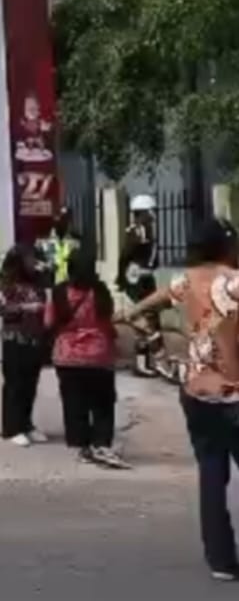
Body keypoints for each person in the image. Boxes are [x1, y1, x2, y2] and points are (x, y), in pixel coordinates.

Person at [126, 218, 239, 581]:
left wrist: (137, 319)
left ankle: (220, 561)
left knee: (211, 473)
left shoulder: (186, 280)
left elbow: (150, 303)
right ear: (226, 245)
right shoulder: (233, 280)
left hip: (195, 390)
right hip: (234, 391)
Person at [46, 250, 127, 468]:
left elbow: (48, 321)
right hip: (99, 356)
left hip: (67, 357)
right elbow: (107, 318)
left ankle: (80, 443)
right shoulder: (100, 292)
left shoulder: (59, 292)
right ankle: (101, 443)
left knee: (73, 401)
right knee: (103, 403)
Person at [0, 245, 48, 447]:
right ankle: (12, 428)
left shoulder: (35, 282)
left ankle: (27, 424)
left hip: (34, 338)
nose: (34, 263)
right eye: (30, 259)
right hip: (14, 339)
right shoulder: (6, 283)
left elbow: (44, 300)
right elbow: (1, 308)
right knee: (14, 385)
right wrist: (26, 307)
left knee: (30, 385)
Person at [119, 194, 162, 377]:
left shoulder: (147, 230)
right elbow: (125, 257)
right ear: (143, 213)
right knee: (144, 323)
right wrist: (123, 279)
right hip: (137, 282)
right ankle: (143, 364)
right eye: (151, 211)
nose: (153, 215)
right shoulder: (136, 232)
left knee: (151, 321)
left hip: (146, 280)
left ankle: (151, 362)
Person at [36, 206, 79, 287]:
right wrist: (45, 266)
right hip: (49, 288)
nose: (63, 221)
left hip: (71, 289)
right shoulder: (43, 242)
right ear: (54, 219)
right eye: (60, 218)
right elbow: (34, 264)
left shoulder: (76, 241)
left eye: (66, 218)